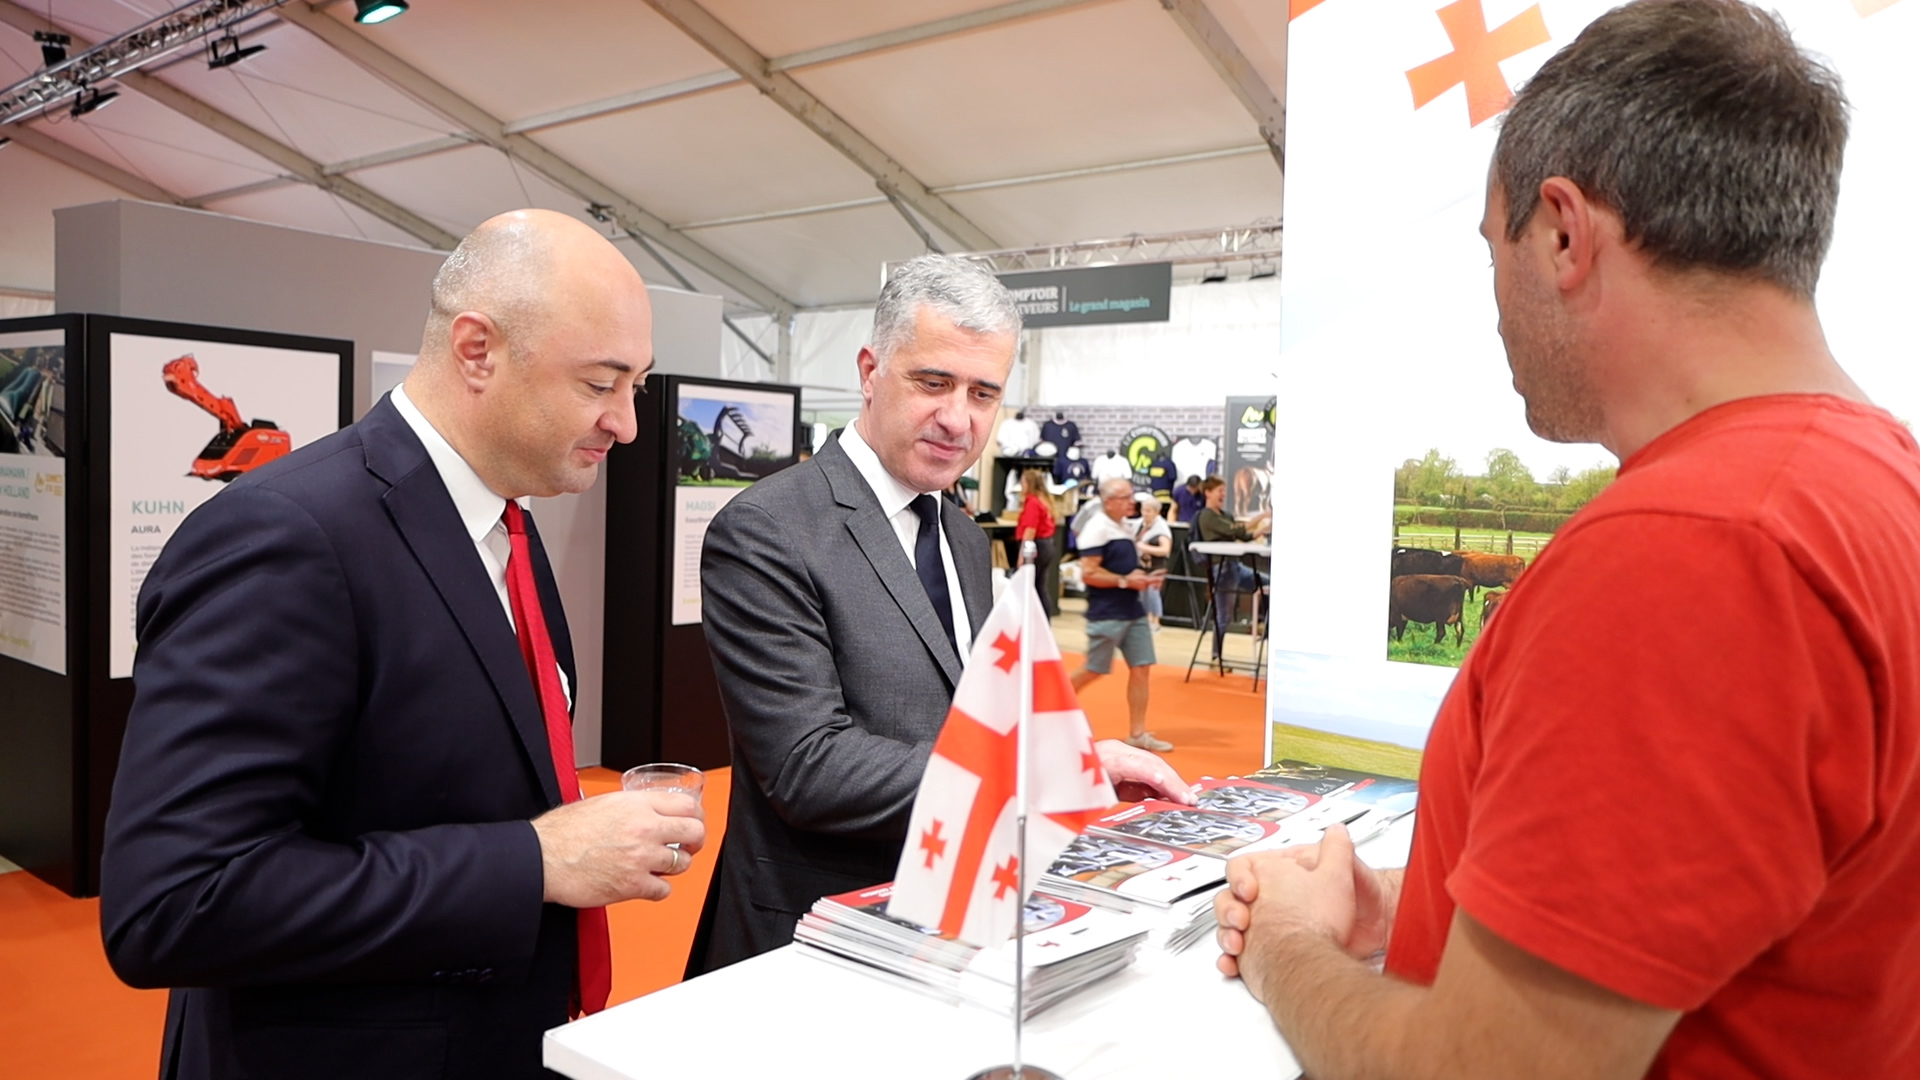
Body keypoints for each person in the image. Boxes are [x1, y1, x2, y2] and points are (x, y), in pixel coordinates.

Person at [1214, 3, 1920, 1077]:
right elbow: (1746, 910)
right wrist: (1421, 906)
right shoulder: (1872, 485)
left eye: (1490, 249)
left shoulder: (1690, 549)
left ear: (1560, 233)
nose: (1496, 304)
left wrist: (1283, 946)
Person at [99, 210, 707, 1080]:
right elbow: (177, 902)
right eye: (599, 383)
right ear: (476, 350)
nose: (627, 423)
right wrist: (537, 859)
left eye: (635, 386)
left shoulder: (505, 522)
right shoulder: (288, 535)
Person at [687, 255, 1191, 975]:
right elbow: (807, 764)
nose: (959, 419)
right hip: (816, 935)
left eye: (984, 393)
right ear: (870, 372)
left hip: (956, 919)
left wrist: (1070, 765)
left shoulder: (960, 533)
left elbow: (973, 718)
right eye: (933, 382)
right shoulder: (768, 529)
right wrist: (1048, 772)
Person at [1071, 478, 1169, 751]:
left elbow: (1122, 569)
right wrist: (1126, 581)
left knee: (1142, 667)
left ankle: (1137, 734)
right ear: (1109, 501)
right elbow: (1089, 573)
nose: (1132, 501)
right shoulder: (1097, 528)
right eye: (1125, 497)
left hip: (1132, 610)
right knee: (1093, 668)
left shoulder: (1123, 525)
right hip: (1107, 612)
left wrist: (1143, 578)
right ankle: (1044, 707)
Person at [1192, 475, 1271, 663]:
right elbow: (1234, 530)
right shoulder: (1207, 516)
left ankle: (1264, 623)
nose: (1223, 494)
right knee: (1224, 616)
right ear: (1208, 493)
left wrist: (1263, 530)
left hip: (1236, 566)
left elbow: (1243, 535)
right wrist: (1262, 516)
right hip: (1223, 569)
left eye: (1224, 491)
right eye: (1220, 490)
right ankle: (1216, 656)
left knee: (1268, 584)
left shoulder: (1225, 515)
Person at [1014, 467, 1058, 617]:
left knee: (1030, 587)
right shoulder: (1044, 500)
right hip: (1047, 545)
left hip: (1036, 546)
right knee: (1040, 586)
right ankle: (1043, 621)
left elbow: (1030, 530)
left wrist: (1022, 555)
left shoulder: (1032, 502)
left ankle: (1033, 620)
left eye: (1023, 483)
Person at [1133, 493, 1172, 633]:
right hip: (1141, 566)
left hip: (1157, 566)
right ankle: (1144, 620)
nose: (1145, 513)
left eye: (1148, 511)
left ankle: (1156, 621)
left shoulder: (1161, 528)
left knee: (1152, 593)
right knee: (1142, 593)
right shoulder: (1138, 525)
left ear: (1156, 512)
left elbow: (1165, 550)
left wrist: (1145, 548)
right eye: (1143, 510)